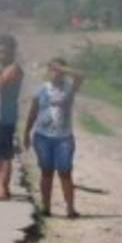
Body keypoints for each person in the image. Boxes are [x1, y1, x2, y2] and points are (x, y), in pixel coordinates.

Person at [24, 58, 86, 218]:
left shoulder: (69, 88)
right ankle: (46, 207)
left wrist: (63, 69)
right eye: (52, 69)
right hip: (42, 136)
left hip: (64, 137)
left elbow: (81, 75)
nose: (55, 73)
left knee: (65, 172)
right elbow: (33, 112)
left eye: (58, 70)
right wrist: (26, 133)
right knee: (46, 172)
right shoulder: (41, 89)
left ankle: (70, 209)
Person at [0, 34, 24, 201]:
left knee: (5, 153)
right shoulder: (3, 69)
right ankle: (3, 186)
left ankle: (2, 188)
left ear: (11, 51)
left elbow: (1, 86)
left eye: (3, 51)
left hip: (6, 115)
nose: (0, 54)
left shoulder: (14, 69)